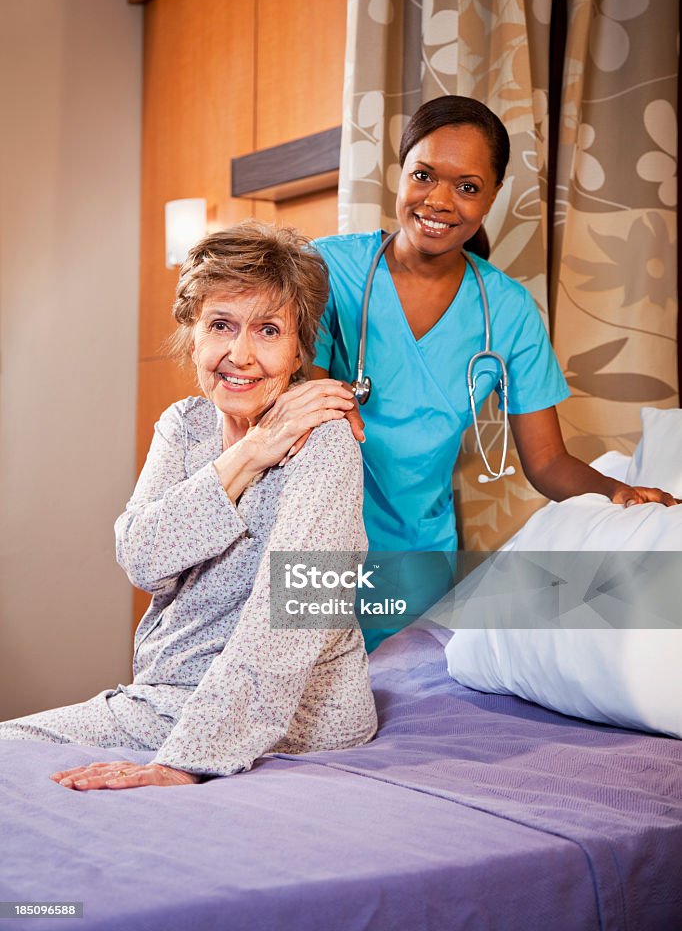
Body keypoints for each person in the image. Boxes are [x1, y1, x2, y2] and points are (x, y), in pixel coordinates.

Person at [0, 222, 377, 788]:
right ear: (193, 335)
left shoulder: (325, 443)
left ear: (301, 347)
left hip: (297, 715)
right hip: (167, 699)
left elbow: (295, 620)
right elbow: (143, 557)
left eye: (268, 330)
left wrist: (185, 764)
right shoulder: (185, 425)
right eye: (220, 325)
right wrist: (252, 452)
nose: (240, 354)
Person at [311, 95, 677, 650]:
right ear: (400, 171)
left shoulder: (506, 311)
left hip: (415, 560)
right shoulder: (327, 270)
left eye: (467, 186)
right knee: (293, 706)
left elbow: (548, 462)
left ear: (493, 196)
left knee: (405, 715)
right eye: (424, 175)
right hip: (313, 541)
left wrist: (619, 492)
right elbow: (292, 407)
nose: (438, 200)